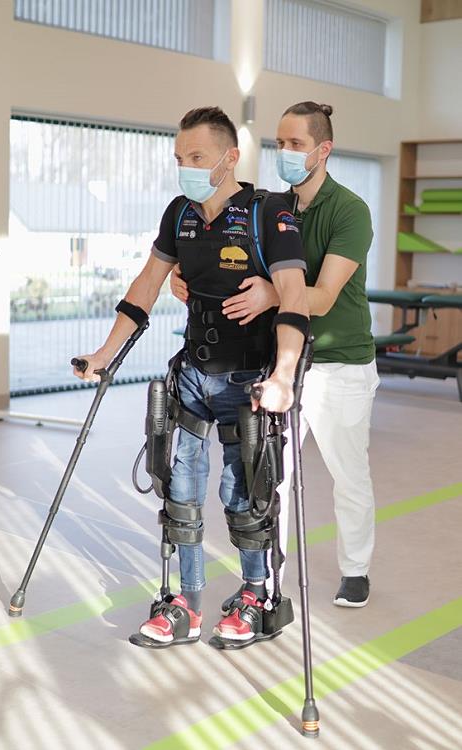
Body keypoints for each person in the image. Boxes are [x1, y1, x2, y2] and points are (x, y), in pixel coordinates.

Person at [74, 106, 309, 647]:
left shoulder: (268, 213)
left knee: (244, 493)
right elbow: (146, 285)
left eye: (197, 156)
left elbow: (295, 298)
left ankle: (256, 595)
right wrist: (104, 353)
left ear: (230, 158)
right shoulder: (179, 213)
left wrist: (284, 375)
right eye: (180, 157)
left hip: (249, 380)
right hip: (193, 375)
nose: (186, 166)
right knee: (179, 491)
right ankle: (187, 605)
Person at [171, 102, 380, 608]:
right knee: (269, 475)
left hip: (339, 362)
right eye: (279, 143)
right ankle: (267, 578)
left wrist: (273, 294)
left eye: (295, 144)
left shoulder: (349, 211)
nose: (284, 152)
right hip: (279, 360)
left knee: (348, 473)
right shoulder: (271, 206)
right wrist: (189, 279)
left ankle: (355, 570)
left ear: (323, 150)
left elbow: (321, 297)